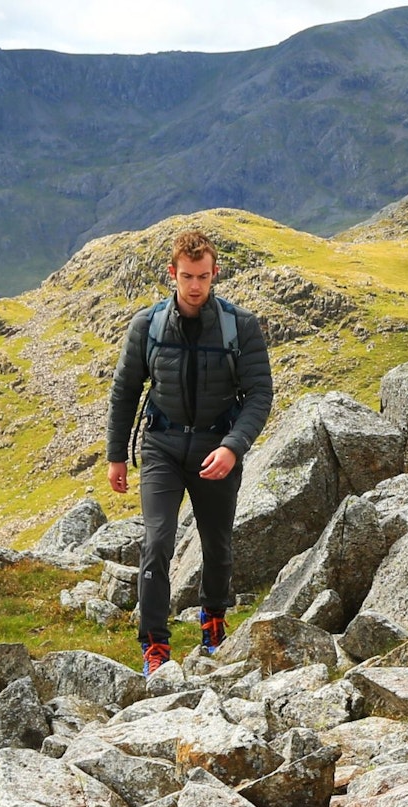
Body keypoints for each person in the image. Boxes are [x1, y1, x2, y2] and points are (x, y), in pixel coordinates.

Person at [106, 229, 273, 676]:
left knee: (216, 544)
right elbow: (124, 391)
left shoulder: (242, 326)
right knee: (156, 542)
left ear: (215, 273)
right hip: (161, 445)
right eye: (186, 276)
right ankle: (155, 646)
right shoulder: (148, 326)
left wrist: (233, 448)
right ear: (172, 274)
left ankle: (214, 619)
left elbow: (260, 394)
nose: (195, 286)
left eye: (203, 276)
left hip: (216, 447)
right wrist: (116, 455)